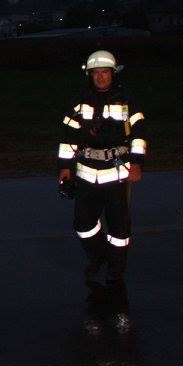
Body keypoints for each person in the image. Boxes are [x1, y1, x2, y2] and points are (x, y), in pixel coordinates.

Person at [57, 50, 147, 286]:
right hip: (86, 172)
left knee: (119, 229)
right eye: (95, 73)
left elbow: (138, 134)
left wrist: (137, 163)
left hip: (117, 172)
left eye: (105, 72)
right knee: (83, 225)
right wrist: (65, 167)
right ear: (90, 74)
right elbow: (68, 137)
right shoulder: (79, 101)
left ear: (113, 73)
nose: (100, 77)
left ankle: (116, 269)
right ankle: (98, 257)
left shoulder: (126, 100)